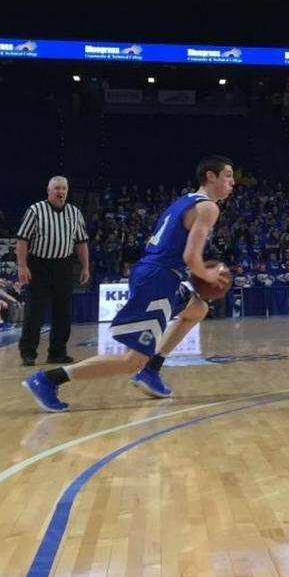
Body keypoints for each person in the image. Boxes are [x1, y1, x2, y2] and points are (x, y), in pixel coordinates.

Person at [22, 156, 235, 412]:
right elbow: (191, 257)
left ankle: (151, 370)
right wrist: (209, 276)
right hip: (159, 278)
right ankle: (48, 379)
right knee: (131, 361)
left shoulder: (184, 201)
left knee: (197, 309)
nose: (233, 182)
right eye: (228, 175)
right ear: (210, 176)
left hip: (156, 272)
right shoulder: (209, 208)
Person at [16, 176, 90, 366]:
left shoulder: (75, 212)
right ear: (48, 191)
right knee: (35, 310)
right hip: (38, 265)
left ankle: (57, 352)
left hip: (64, 265)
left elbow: (81, 243)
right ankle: (28, 352)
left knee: (63, 311)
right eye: (57, 188)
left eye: (64, 188)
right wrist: (22, 266)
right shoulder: (35, 210)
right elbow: (22, 239)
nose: (61, 192)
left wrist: (85, 267)